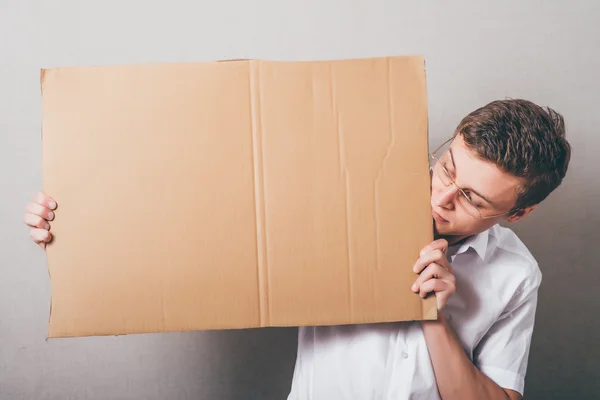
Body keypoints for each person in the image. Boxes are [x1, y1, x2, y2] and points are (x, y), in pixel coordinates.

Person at [24, 99, 571, 400]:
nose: (442, 196)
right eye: (446, 166)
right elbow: (199, 224)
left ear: (518, 212)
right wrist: (79, 224)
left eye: (472, 197)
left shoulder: (517, 275)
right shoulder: (346, 199)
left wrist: (433, 315)